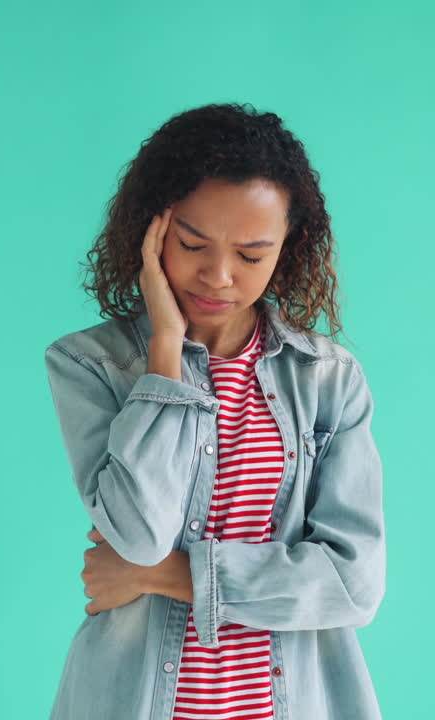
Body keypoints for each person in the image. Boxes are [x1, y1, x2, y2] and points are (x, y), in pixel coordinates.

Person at [43, 102, 385, 720]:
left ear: (287, 249)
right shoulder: (93, 365)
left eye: (251, 256)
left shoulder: (329, 381)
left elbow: (352, 583)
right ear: (152, 230)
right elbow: (139, 535)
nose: (219, 276)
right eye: (192, 244)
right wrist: (165, 353)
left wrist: (166, 576)